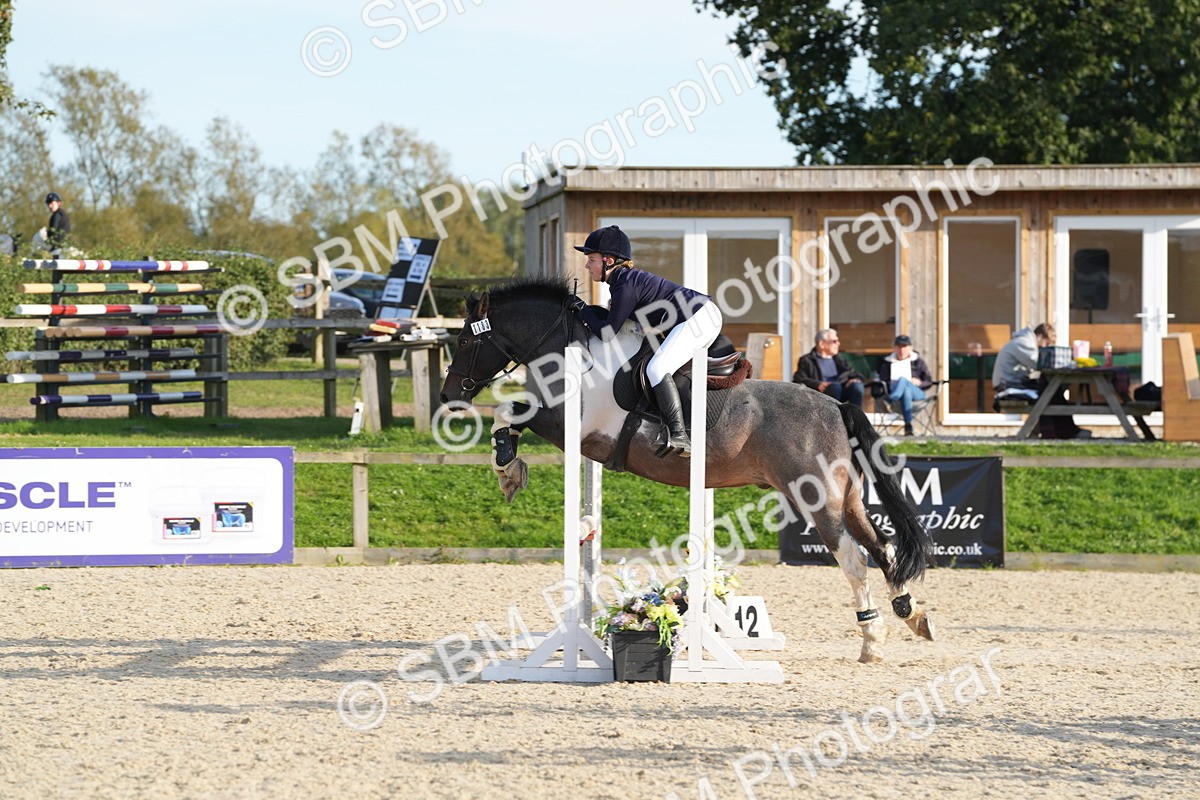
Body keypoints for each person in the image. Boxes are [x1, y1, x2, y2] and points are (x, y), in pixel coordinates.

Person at [569, 225, 723, 459]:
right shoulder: (623, 282)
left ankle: (679, 434)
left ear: (608, 260)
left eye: (591, 259)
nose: (587, 266)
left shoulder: (625, 284)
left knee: (657, 368)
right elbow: (618, 325)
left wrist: (581, 309)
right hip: (699, 316)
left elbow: (607, 333)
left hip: (699, 318)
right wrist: (588, 311)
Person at [993, 323, 1087, 439]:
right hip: (1007, 387)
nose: (1044, 348)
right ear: (1039, 336)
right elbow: (1039, 363)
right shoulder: (1023, 343)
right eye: (1046, 344)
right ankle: (1066, 431)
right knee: (1050, 392)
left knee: (1051, 391)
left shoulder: (1024, 342)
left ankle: (1063, 431)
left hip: (1014, 383)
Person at [876, 334, 934, 436]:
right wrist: (895, 383)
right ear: (894, 347)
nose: (901, 349)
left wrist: (919, 382)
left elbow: (929, 381)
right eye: (899, 346)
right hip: (901, 394)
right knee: (905, 389)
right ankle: (908, 426)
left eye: (904, 346)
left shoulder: (918, 362)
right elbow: (882, 380)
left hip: (917, 395)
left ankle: (891, 399)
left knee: (904, 381)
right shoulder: (887, 363)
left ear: (910, 348)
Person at [792, 328, 865, 406]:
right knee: (835, 386)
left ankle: (855, 417)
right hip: (820, 393)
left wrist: (856, 379)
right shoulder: (807, 360)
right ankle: (834, 416)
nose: (838, 343)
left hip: (841, 390)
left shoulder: (840, 359)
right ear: (822, 344)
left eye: (838, 341)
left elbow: (854, 373)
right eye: (834, 341)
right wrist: (817, 384)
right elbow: (798, 378)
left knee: (857, 386)